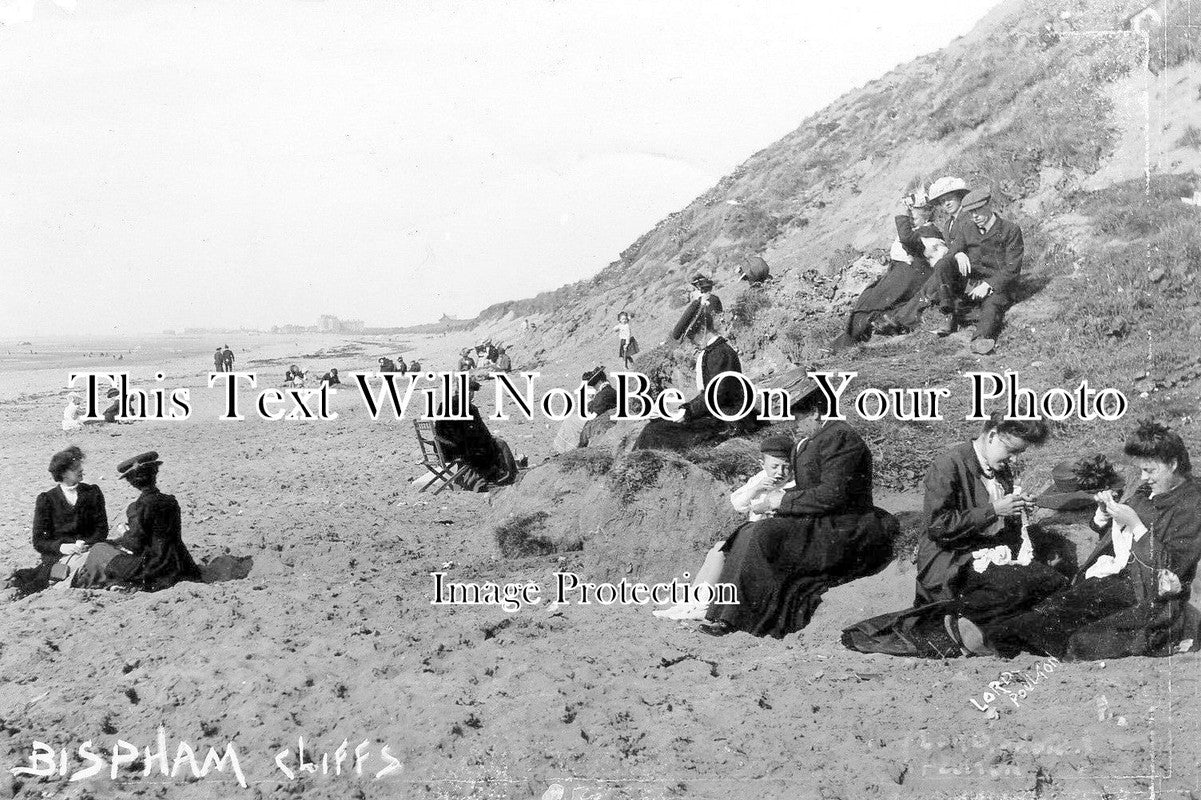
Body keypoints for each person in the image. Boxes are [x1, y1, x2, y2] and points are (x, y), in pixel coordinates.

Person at [842, 412, 1069, 657]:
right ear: (992, 435)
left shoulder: (998, 468)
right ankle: (955, 627)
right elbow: (939, 527)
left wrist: (1015, 509)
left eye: (1019, 454)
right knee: (1022, 585)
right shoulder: (948, 465)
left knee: (1050, 580)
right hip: (950, 561)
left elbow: (998, 520)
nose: (1013, 460)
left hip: (985, 557)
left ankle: (979, 632)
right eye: (1011, 451)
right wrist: (993, 510)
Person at [983, 421, 1201, 660]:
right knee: (1056, 608)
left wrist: (1136, 525)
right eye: (1141, 470)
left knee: (1071, 629)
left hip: (1145, 594)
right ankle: (989, 635)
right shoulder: (1149, 492)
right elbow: (1119, 541)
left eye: (1150, 470)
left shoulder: (1191, 506)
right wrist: (1103, 516)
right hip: (1116, 581)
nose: (1143, 477)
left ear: (1172, 464)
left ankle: (992, 639)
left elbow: (1171, 568)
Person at [701, 389, 897, 637]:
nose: (793, 425)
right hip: (817, 517)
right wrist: (774, 500)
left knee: (764, 534)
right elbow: (808, 490)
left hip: (844, 524)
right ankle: (725, 614)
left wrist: (781, 501)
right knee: (749, 531)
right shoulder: (811, 440)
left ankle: (739, 619)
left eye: (796, 417)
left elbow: (833, 495)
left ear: (815, 412)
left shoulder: (841, 438)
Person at [654, 435, 795, 621]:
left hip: (766, 541)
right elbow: (737, 504)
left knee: (721, 550)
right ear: (763, 464)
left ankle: (701, 605)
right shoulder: (760, 479)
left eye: (786, 467)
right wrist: (756, 490)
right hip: (750, 536)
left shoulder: (793, 485)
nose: (780, 472)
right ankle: (691, 603)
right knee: (715, 551)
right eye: (774, 466)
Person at [831, 189, 948, 348]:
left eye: (914, 216)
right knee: (868, 302)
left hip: (909, 279)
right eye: (910, 217)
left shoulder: (929, 233)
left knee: (870, 305)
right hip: (901, 276)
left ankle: (847, 344)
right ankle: (845, 343)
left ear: (927, 214)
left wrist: (902, 217)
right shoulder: (920, 231)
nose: (911, 220)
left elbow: (908, 239)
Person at [633, 300, 754, 451]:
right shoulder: (713, 352)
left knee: (655, 432)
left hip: (727, 421)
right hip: (717, 416)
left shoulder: (720, 353)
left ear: (703, 328)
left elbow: (717, 395)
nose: (691, 342)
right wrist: (680, 410)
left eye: (691, 336)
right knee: (656, 425)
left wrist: (688, 411)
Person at [73, 451, 202, 592]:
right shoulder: (170, 501)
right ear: (155, 473)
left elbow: (135, 544)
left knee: (99, 549)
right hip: (181, 563)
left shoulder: (137, 507)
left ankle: (91, 584)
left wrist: (124, 532)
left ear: (132, 482)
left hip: (153, 567)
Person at [931, 188, 1025, 353]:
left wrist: (988, 284)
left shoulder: (1010, 230)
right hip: (973, 282)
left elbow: (1012, 269)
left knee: (992, 305)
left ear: (988, 205)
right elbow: (950, 253)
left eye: (978, 210)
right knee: (943, 265)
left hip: (999, 284)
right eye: (970, 212)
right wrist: (958, 253)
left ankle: (980, 339)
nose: (975, 216)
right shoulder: (968, 228)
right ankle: (949, 312)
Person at [31, 447, 109, 588]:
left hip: (90, 548)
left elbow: (102, 530)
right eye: (75, 468)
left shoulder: (92, 492)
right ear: (63, 473)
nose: (81, 470)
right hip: (59, 555)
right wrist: (62, 547)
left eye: (80, 465)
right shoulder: (47, 499)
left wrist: (85, 543)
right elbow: (39, 541)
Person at [434, 379, 521, 491]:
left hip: (443, 449)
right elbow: (477, 431)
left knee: (492, 444)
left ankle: (498, 475)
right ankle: (507, 476)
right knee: (497, 444)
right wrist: (485, 439)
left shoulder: (445, 404)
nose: (470, 395)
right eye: (469, 392)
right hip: (458, 450)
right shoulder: (469, 408)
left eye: (471, 392)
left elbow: (445, 430)